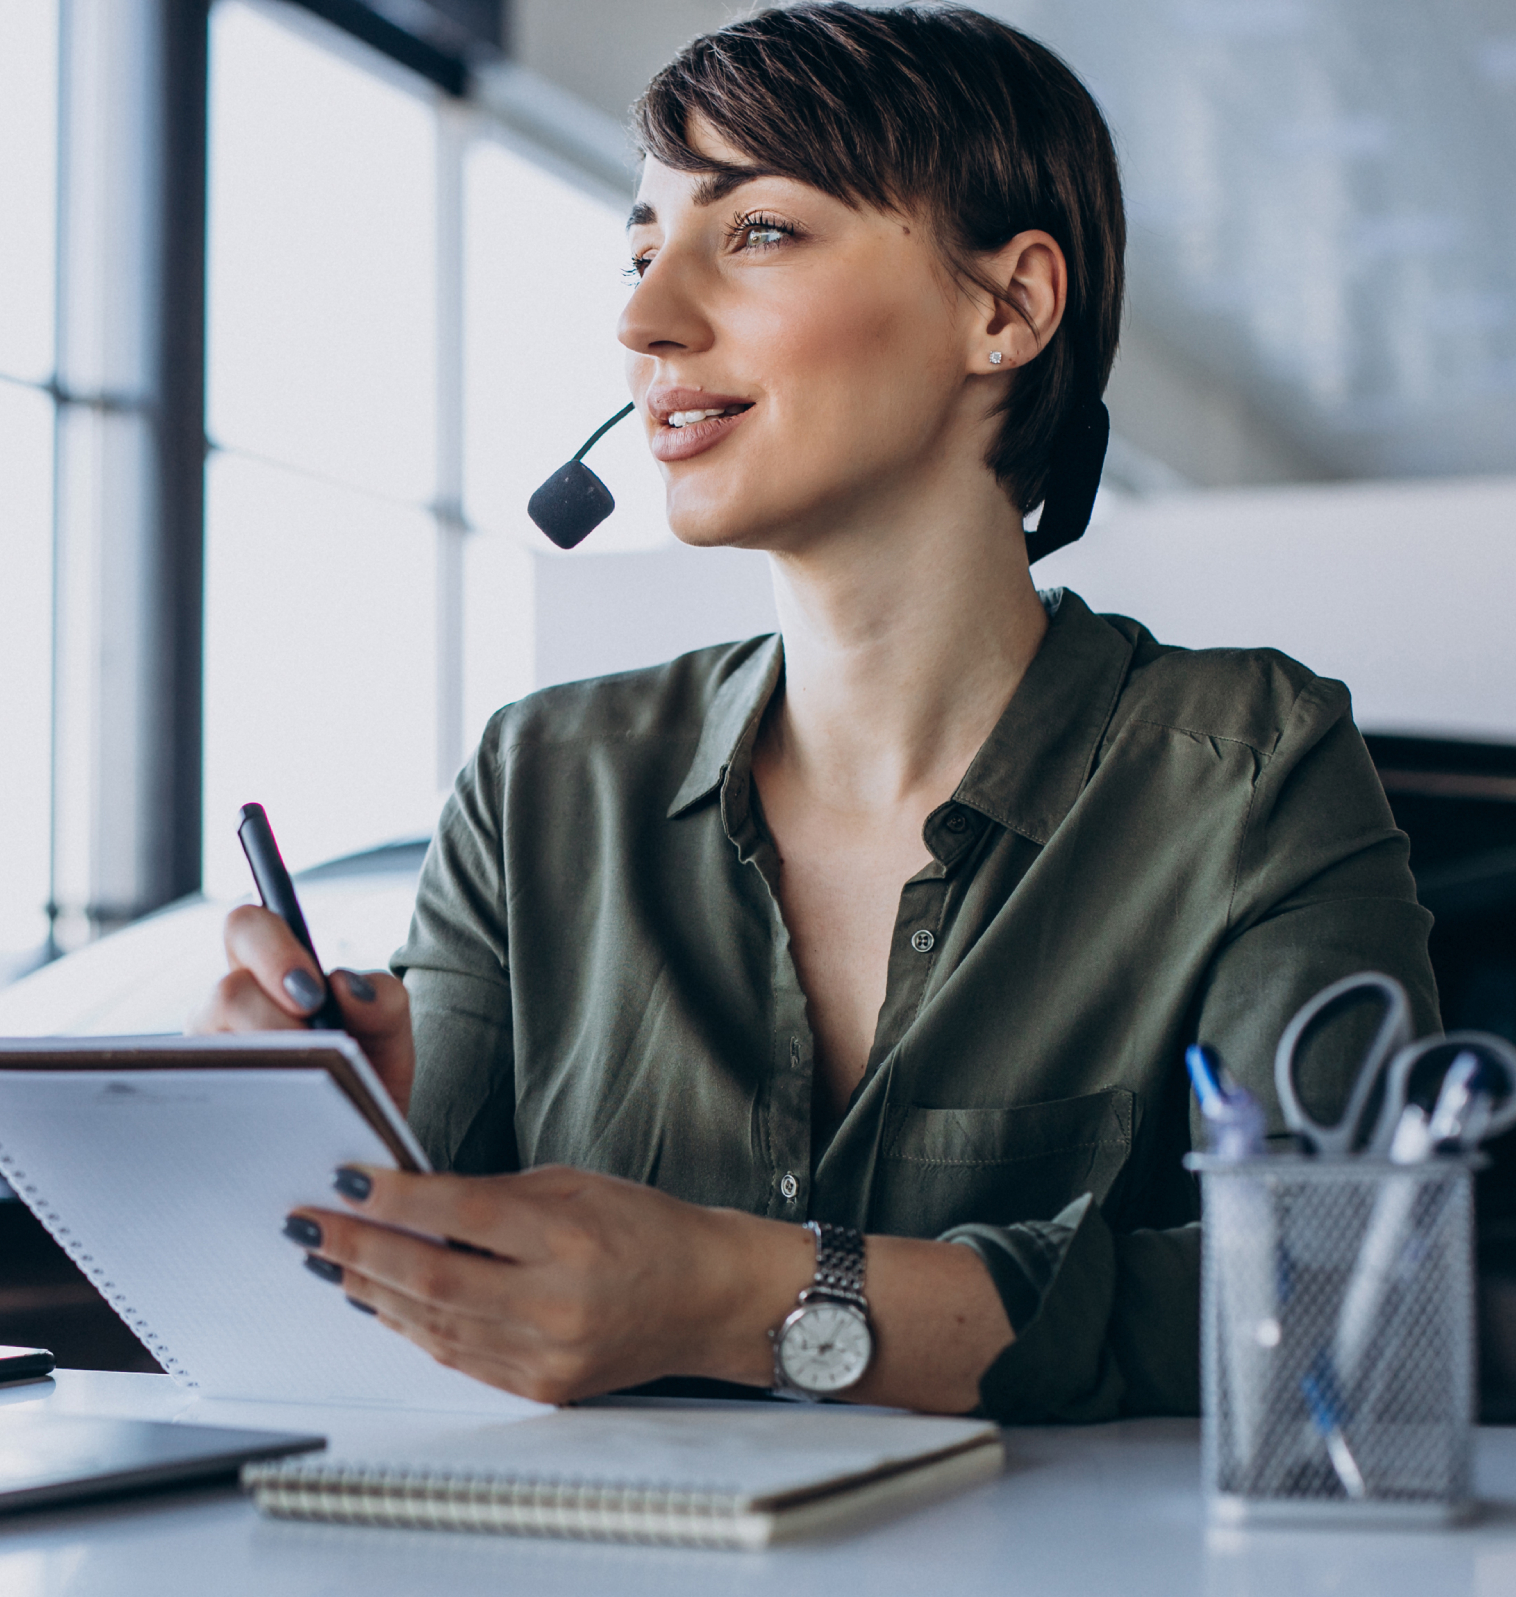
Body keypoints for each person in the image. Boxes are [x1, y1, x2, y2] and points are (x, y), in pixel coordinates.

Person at [194, 2, 1437, 1421]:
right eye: (642, 251)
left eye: (760, 231)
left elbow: (1350, 1310)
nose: (643, 320)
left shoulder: (1250, 771)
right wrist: (328, 1141)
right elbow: (398, 1325)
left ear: (1007, 308)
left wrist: (738, 1294)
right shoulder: (539, 780)